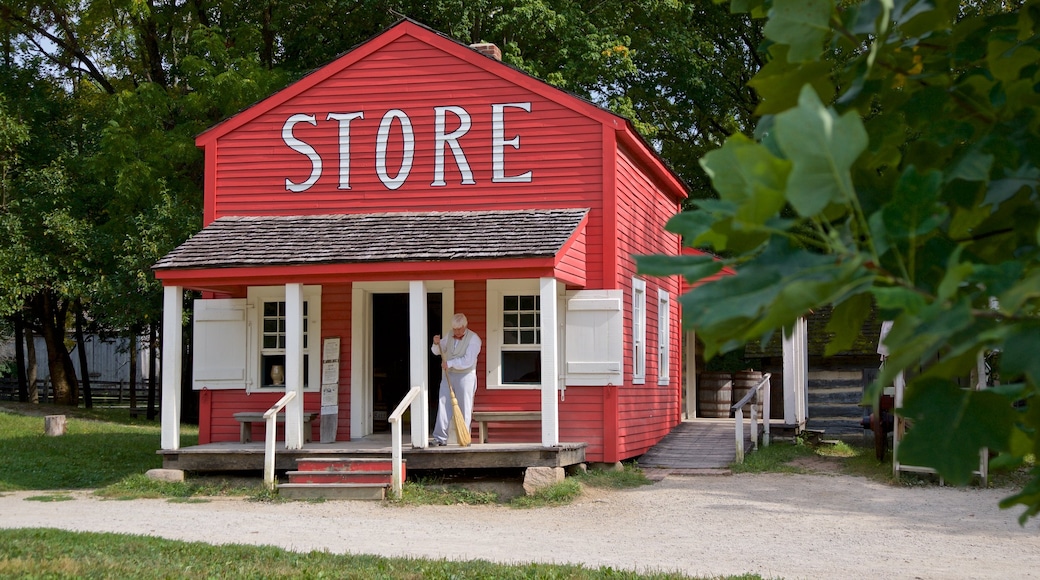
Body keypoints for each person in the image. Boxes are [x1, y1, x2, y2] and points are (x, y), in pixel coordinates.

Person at [429, 313, 481, 446]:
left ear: (465, 326)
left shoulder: (474, 339)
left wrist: (450, 363)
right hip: (449, 375)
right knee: (443, 402)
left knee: (465, 406)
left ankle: (464, 438)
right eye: (454, 329)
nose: (456, 332)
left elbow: (468, 361)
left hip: (466, 376)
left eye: (459, 329)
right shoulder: (450, 335)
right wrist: (436, 344)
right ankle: (440, 438)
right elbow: (438, 351)